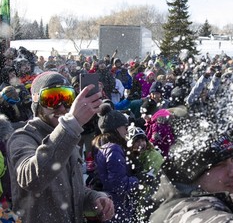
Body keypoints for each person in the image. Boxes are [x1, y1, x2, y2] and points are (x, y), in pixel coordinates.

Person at [6, 71, 114, 223]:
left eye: (67, 98)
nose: (61, 107)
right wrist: (72, 124)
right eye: (52, 99)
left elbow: (69, 190)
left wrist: (94, 198)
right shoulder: (23, 137)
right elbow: (31, 179)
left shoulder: (67, 137)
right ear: (37, 103)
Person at [92, 103, 139, 223]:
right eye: (125, 126)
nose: (127, 130)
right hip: (118, 205)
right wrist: (138, 180)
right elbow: (119, 185)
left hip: (112, 204)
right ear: (116, 128)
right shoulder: (114, 149)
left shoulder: (104, 146)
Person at [126, 124, 164, 222]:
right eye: (137, 141)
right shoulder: (134, 157)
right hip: (140, 201)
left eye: (143, 140)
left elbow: (152, 178)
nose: (141, 144)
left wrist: (139, 176)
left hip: (154, 198)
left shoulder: (153, 156)